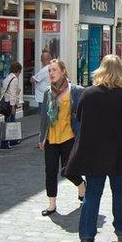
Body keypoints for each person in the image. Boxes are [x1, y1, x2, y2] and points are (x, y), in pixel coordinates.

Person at [65, 55, 122, 242]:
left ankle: (87, 235)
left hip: (94, 153)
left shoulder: (88, 93)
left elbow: (79, 116)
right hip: (118, 152)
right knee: (119, 190)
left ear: (100, 70)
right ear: (120, 72)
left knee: (92, 193)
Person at [38, 59, 86, 216]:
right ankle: (52, 204)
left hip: (68, 137)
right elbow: (44, 117)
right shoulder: (48, 92)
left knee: (68, 170)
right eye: (49, 70)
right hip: (51, 138)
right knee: (50, 171)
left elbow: (82, 114)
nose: (51, 73)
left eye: (54, 70)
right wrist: (41, 137)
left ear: (63, 71)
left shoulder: (75, 91)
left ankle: (81, 185)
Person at [0, 61, 22, 150]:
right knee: (9, 123)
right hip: (10, 104)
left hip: (6, 102)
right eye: (20, 71)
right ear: (18, 70)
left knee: (11, 122)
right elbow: (12, 94)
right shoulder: (14, 79)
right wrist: (13, 106)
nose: (20, 73)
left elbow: (6, 90)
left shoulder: (7, 78)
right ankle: (5, 143)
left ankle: (13, 140)